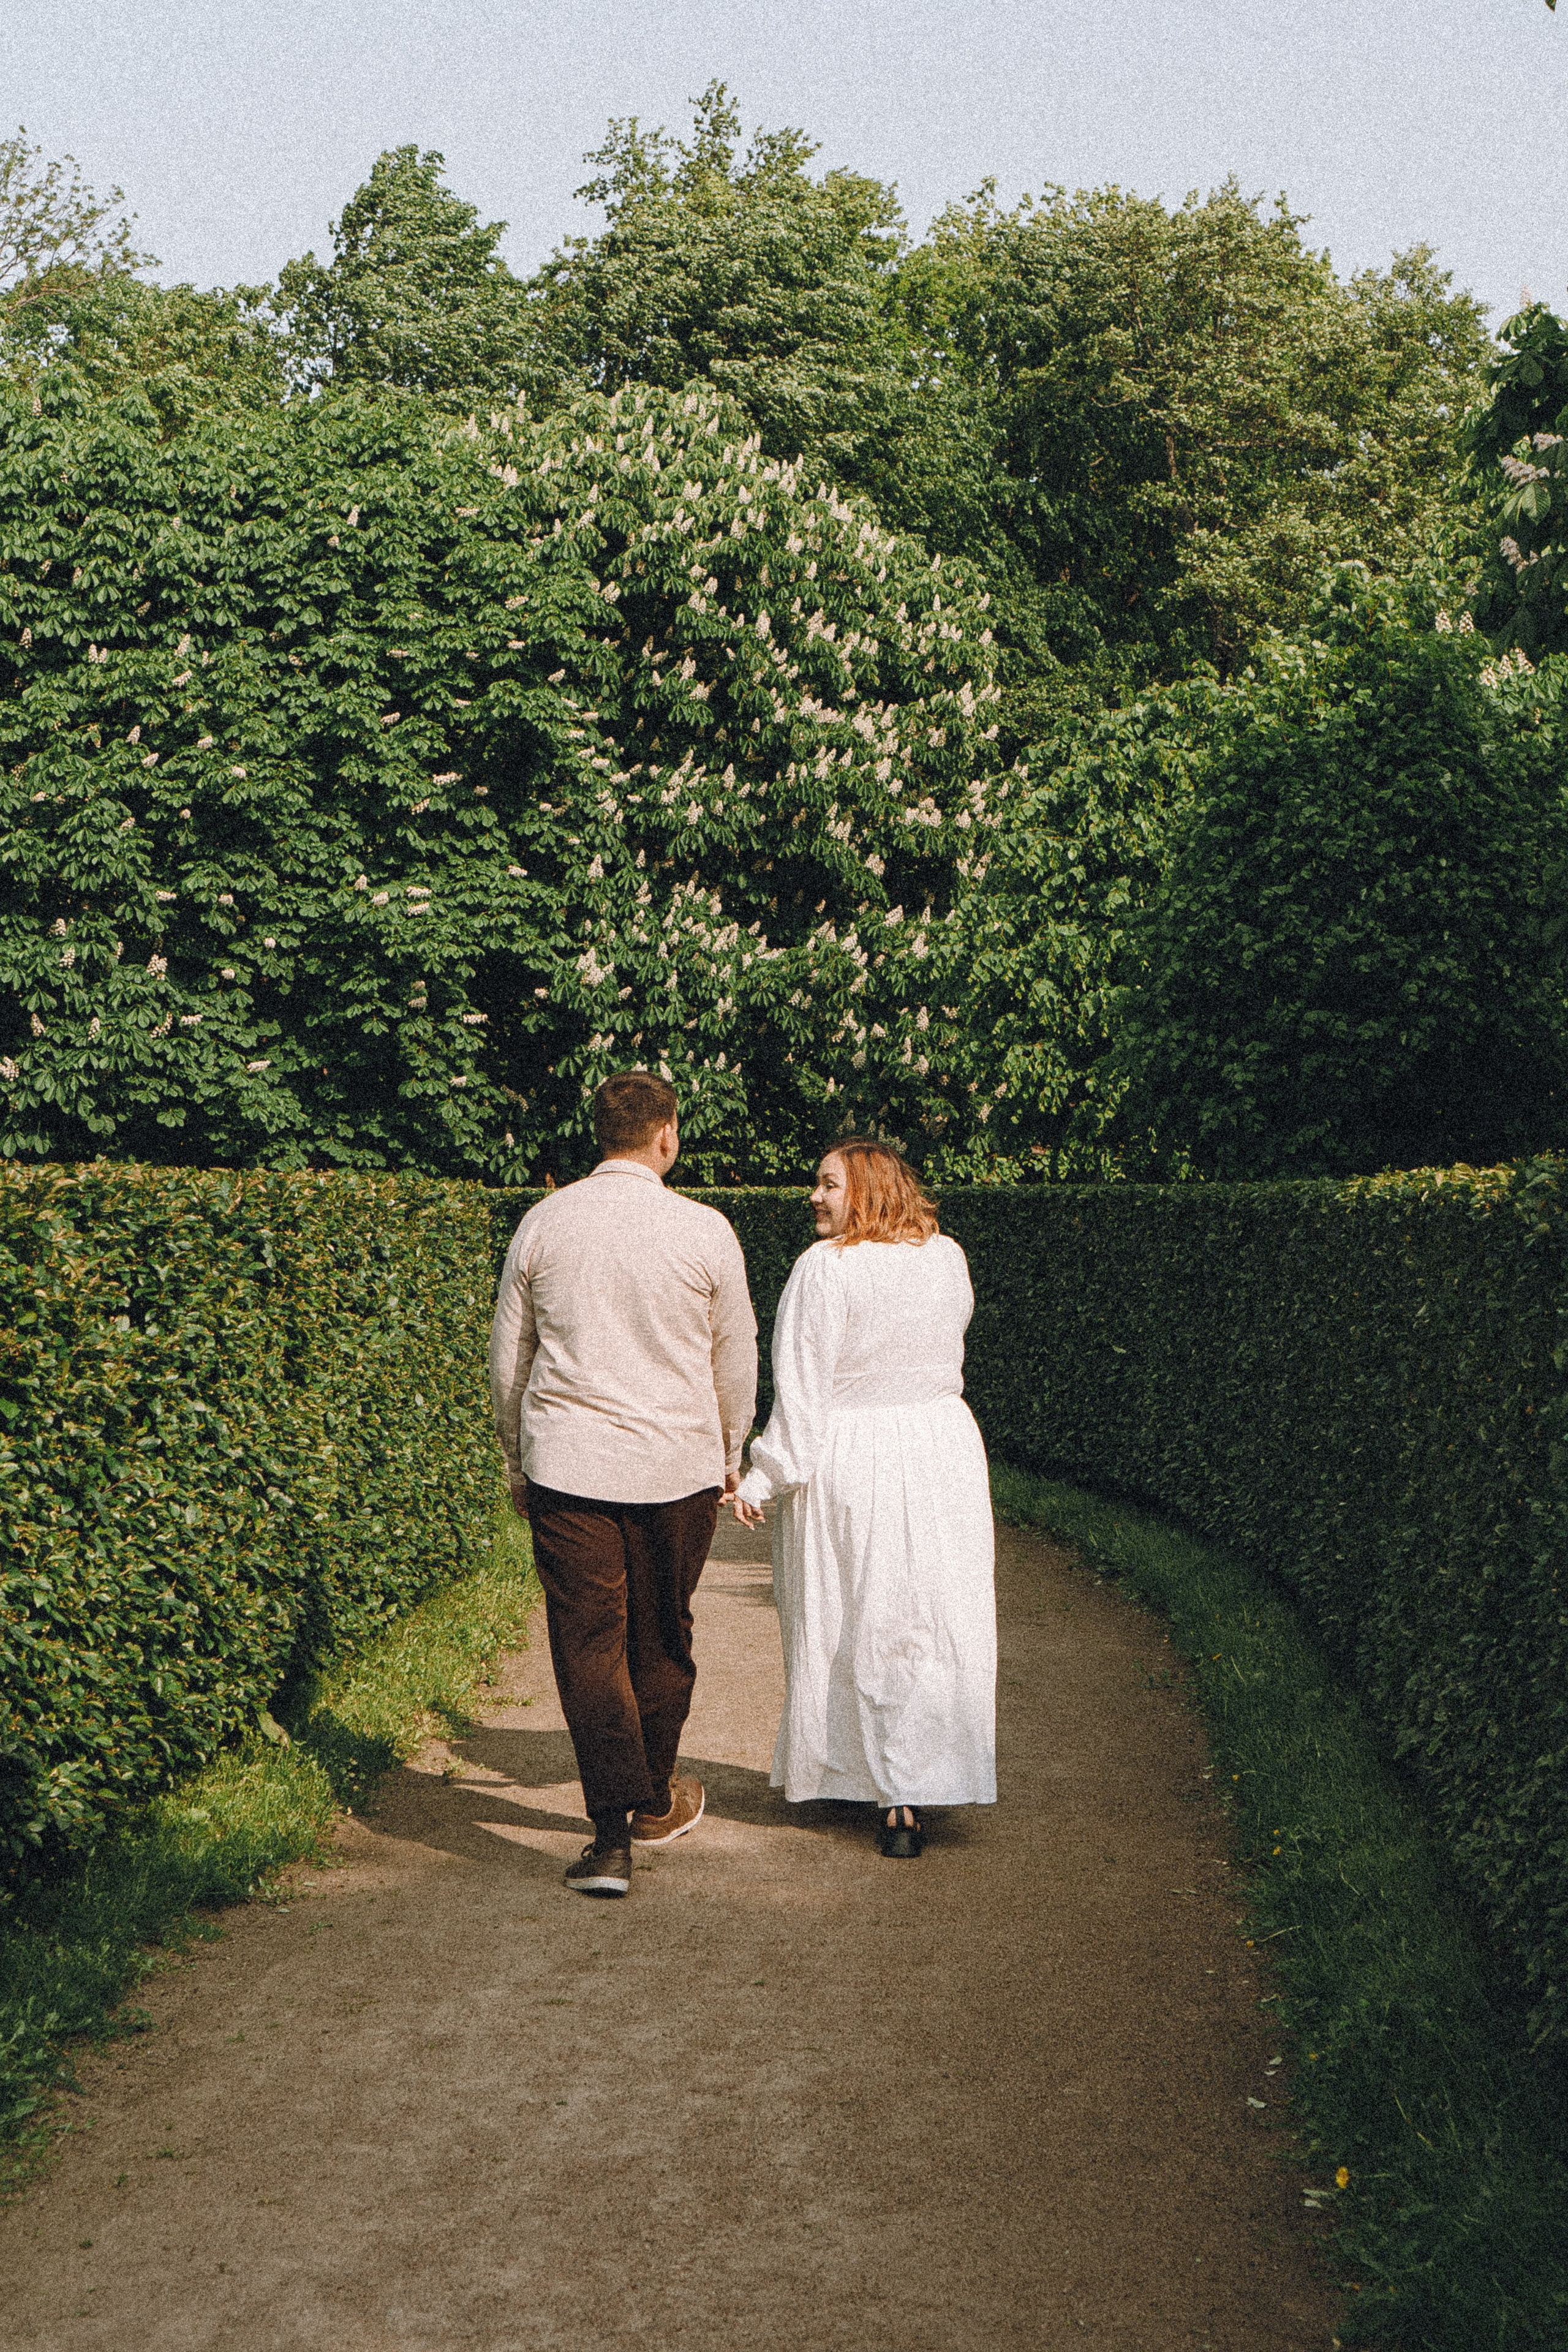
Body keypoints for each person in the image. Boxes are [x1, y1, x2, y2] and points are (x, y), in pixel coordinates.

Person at [489, 1071, 758, 1896]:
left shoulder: (543, 1223)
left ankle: (609, 1839)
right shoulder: (707, 1231)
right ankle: (652, 1800)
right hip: (678, 1467)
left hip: (569, 1466)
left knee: (588, 1643)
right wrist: (729, 1450)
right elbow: (735, 1354)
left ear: (599, 1135)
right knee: (661, 1634)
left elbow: (510, 1361)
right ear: (667, 1136)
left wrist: (515, 1456)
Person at [730, 1140, 997, 1858]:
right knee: (929, 1613)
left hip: (855, 1454)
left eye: (826, 1186)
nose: (813, 1198)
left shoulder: (824, 1269)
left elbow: (803, 1389)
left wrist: (764, 1475)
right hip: (942, 1450)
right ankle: (917, 1782)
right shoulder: (947, 1256)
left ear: (869, 1192)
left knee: (855, 1612)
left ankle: (876, 1781)